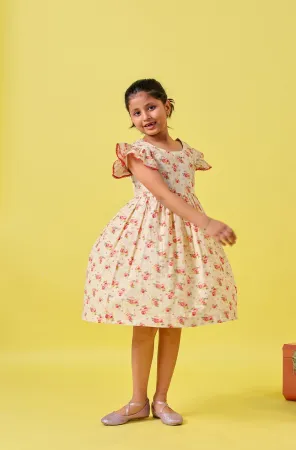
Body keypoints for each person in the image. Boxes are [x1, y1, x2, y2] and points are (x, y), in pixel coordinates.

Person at [82, 78, 238, 426]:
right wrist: (207, 222)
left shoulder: (187, 152)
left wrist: (198, 225)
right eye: (135, 113)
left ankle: (162, 400)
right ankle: (137, 400)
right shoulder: (137, 152)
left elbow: (180, 195)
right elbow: (163, 195)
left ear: (168, 106)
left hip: (182, 239)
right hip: (148, 238)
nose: (144, 117)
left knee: (172, 320)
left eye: (150, 107)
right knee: (145, 322)